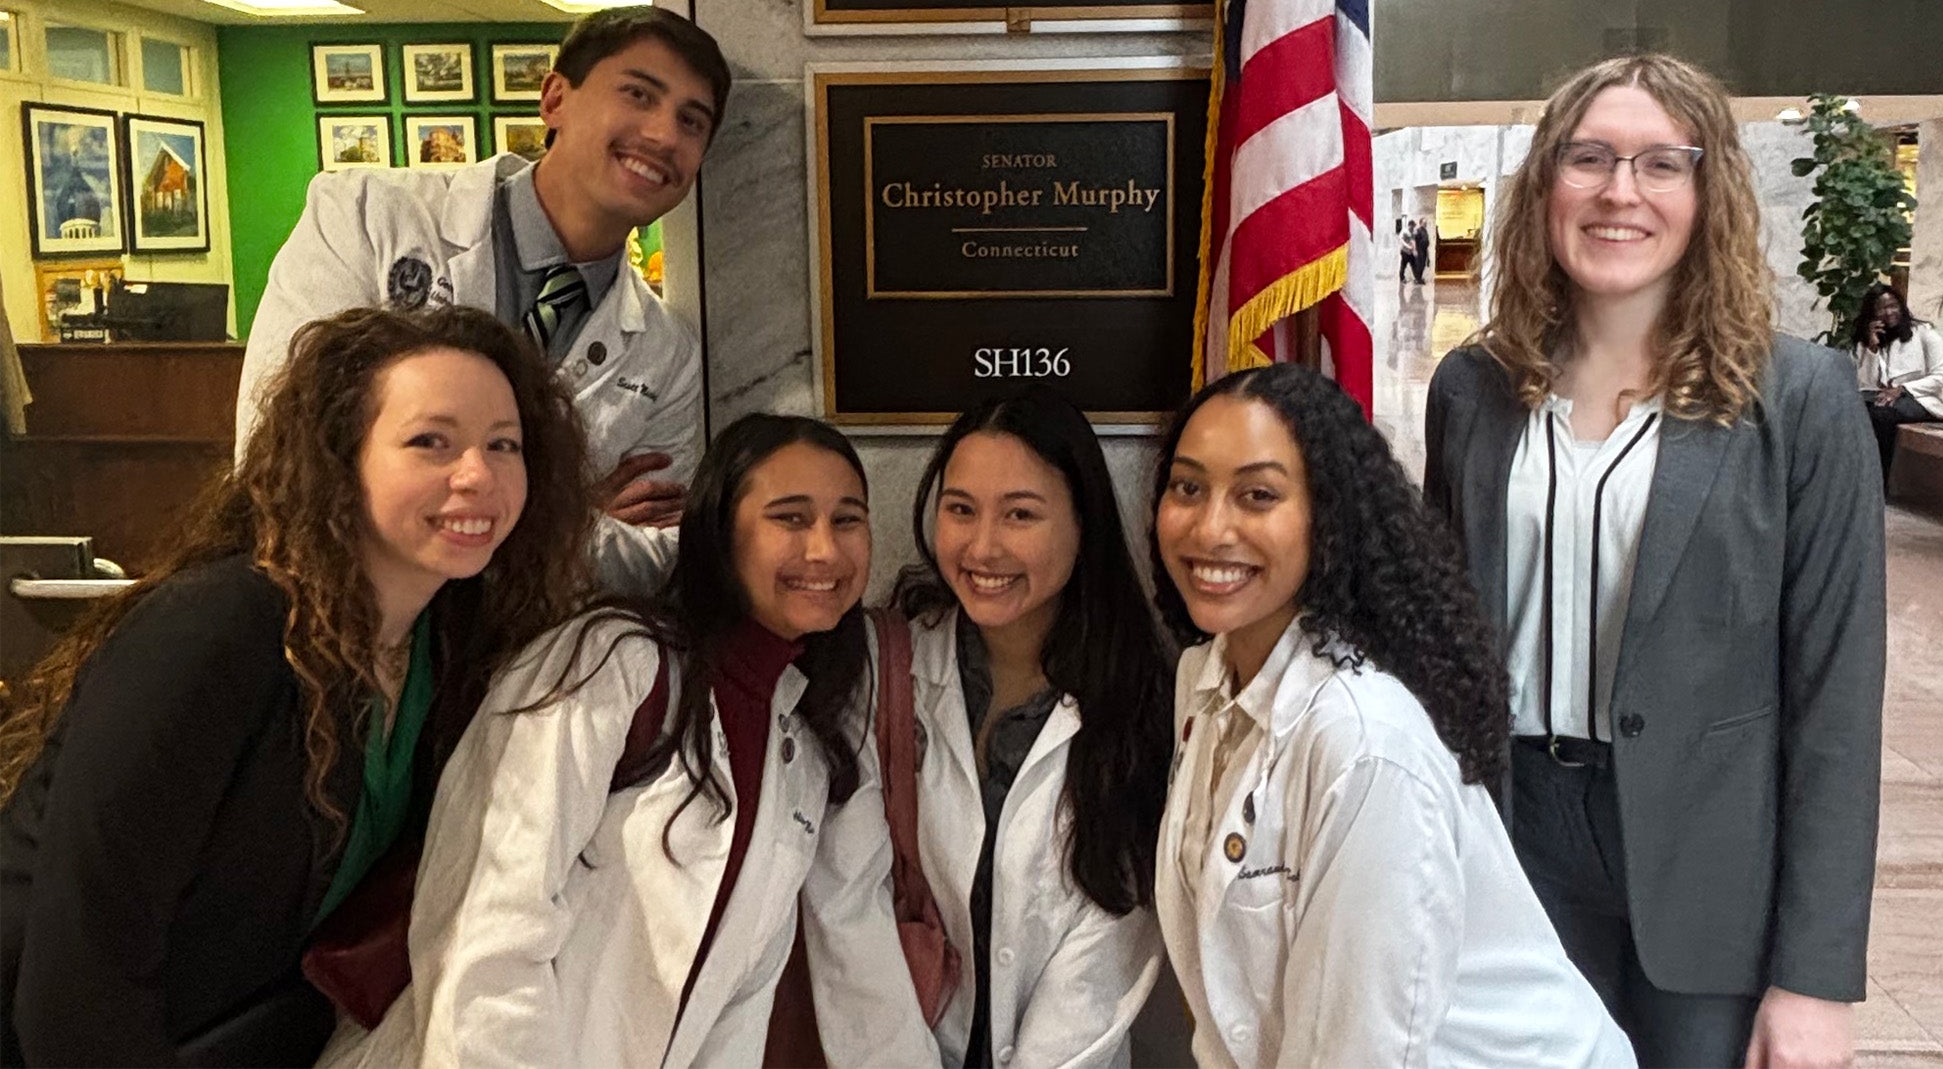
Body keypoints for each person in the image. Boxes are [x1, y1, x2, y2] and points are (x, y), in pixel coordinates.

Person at [1424, 53, 1885, 1067]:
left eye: (1657, 164)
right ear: (1546, 182)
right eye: (1587, 158)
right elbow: (1437, 651)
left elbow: (1834, 704)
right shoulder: (1473, 390)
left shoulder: (1797, 399)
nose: (1617, 192)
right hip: (1510, 841)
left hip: (1707, 867)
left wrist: (1812, 978)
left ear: (1706, 187)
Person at [0, 306, 594, 1067]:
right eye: (430, 442)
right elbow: (78, 975)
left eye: (503, 444)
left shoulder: (447, 650)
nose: (477, 473)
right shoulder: (213, 632)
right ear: (340, 458)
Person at [320, 414, 937, 1069]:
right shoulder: (613, 661)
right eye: (789, 518)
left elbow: (733, 1008)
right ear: (719, 532)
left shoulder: (802, 742)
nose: (825, 550)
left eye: (847, 519)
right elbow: (490, 930)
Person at [1150, 364, 1634, 1068]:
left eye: (1257, 495)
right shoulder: (1205, 677)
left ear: (1328, 515)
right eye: (1188, 487)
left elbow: (1360, 1051)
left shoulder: (1363, 741)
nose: (1210, 525)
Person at [238, 6, 729, 595]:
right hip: (341, 625)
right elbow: (283, 467)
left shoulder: (666, 354)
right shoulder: (365, 218)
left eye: (692, 122)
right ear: (554, 100)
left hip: (532, 668)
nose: (663, 135)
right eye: (638, 95)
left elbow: (657, 560)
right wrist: (569, 522)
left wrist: (456, 518)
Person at [863, 387, 1173, 1067]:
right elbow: (851, 906)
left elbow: (1108, 954)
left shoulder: (1141, 702)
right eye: (961, 509)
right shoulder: (890, 671)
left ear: (1083, 522)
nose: (983, 546)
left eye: (1021, 514)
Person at [1853, 282, 1943, 483]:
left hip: (1924, 400)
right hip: (1886, 399)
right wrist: (1871, 347)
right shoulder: (1874, 340)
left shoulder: (1925, 334)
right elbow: (1865, 383)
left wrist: (1902, 389)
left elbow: (1940, 377)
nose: (1889, 312)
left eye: (1893, 306)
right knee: (1853, 408)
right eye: (1881, 308)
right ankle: (1853, 477)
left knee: (1881, 415)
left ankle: (1879, 481)